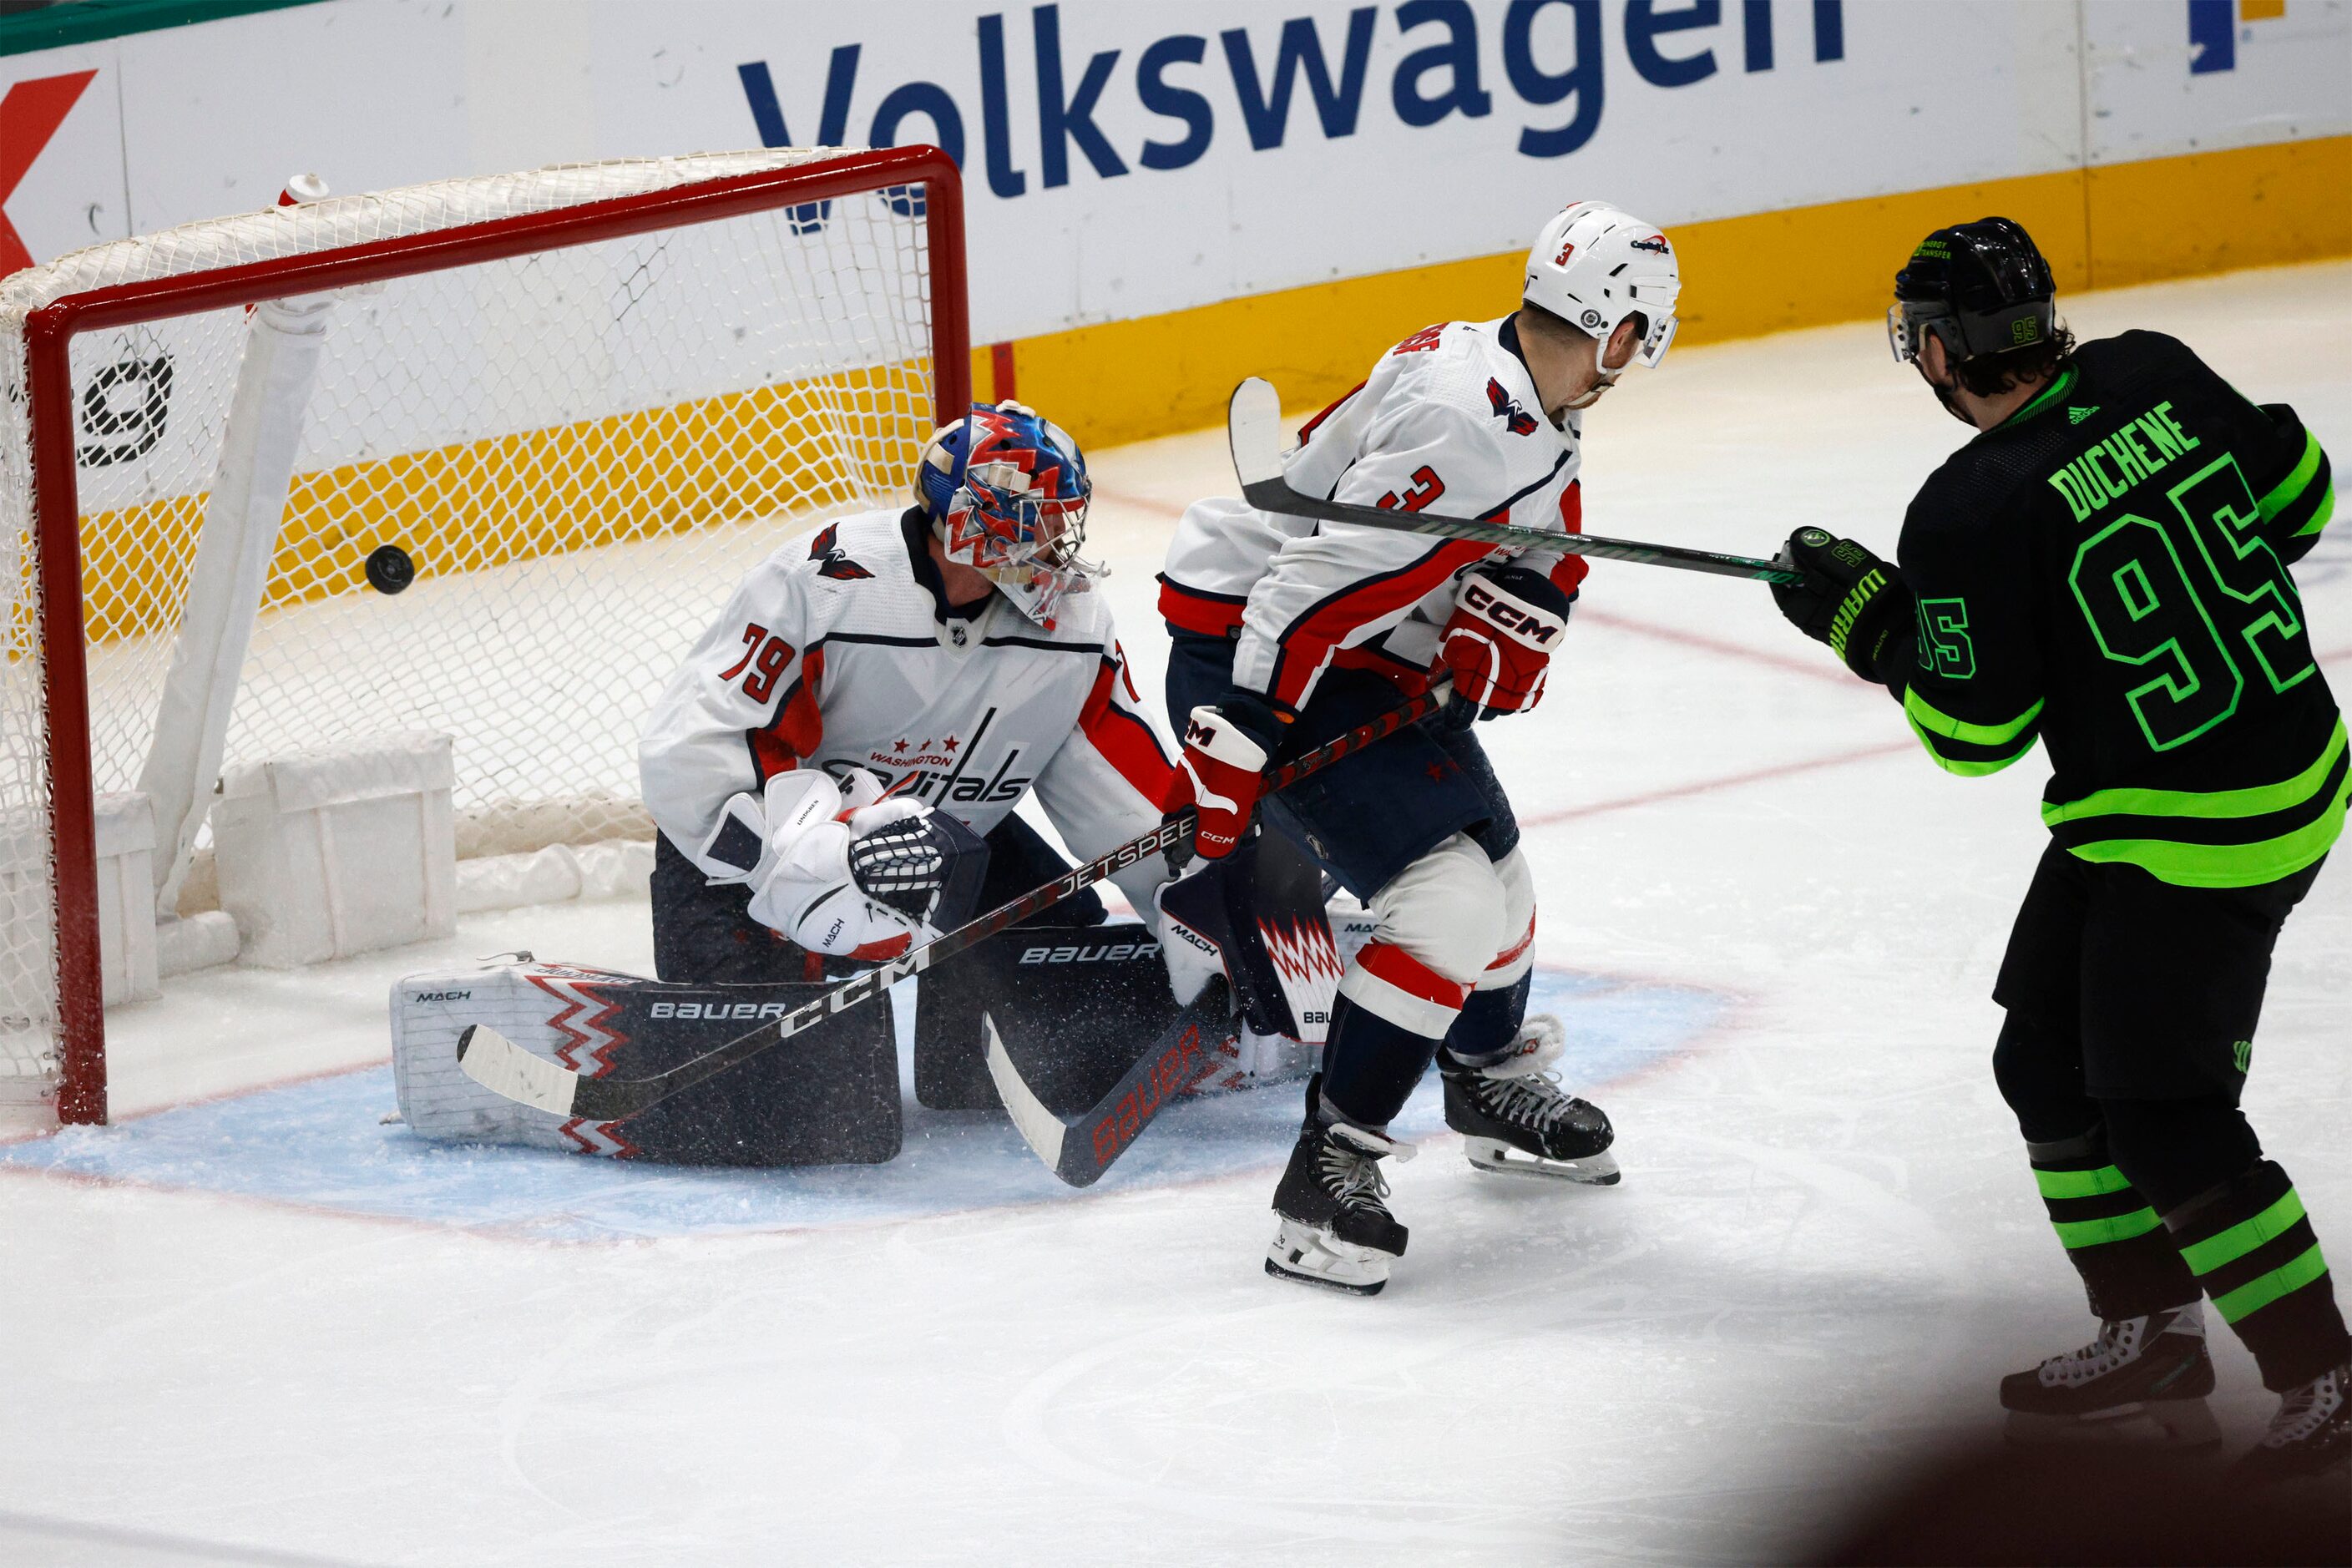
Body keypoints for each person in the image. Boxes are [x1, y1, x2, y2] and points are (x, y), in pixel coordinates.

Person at [1769, 216, 2344, 1479]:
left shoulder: (1969, 506)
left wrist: (1873, 627)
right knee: (2043, 1053)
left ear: (1934, 350)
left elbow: (1975, 736)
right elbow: (2302, 500)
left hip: (2188, 836)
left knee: (2165, 1115)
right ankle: (2148, 1328)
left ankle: (2324, 1379)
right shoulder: (2155, 366)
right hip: (2280, 773)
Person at [1157, 200, 1682, 1293]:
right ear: (1620, 325)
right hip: (1263, 654)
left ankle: (1484, 1079)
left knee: (1501, 876)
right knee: (1445, 902)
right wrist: (1243, 728)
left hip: (1348, 654)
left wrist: (1529, 601)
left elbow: (1544, 513)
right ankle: (1325, 1176)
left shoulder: (1511, 375)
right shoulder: (1468, 429)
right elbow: (1300, 596)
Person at [638, 401, 1179, 989]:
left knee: (1072, 966)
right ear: (976, 521)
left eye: (1062, 522)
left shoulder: (1075, 627)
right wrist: (796, 862)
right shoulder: (827, 580)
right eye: (1040, 522)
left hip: (941, 846)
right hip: (751, 860)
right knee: (753, 1057)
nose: (1058, 545)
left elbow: (1121, 791)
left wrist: (1190, 897)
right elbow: (700, 749)